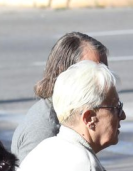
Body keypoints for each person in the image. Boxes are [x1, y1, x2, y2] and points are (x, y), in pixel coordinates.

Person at [10, 32, 108, 161]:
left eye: (105, 71)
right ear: (63, 72)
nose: (104, 79)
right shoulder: (45, 129)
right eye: (92, 72)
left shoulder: (69, 114)